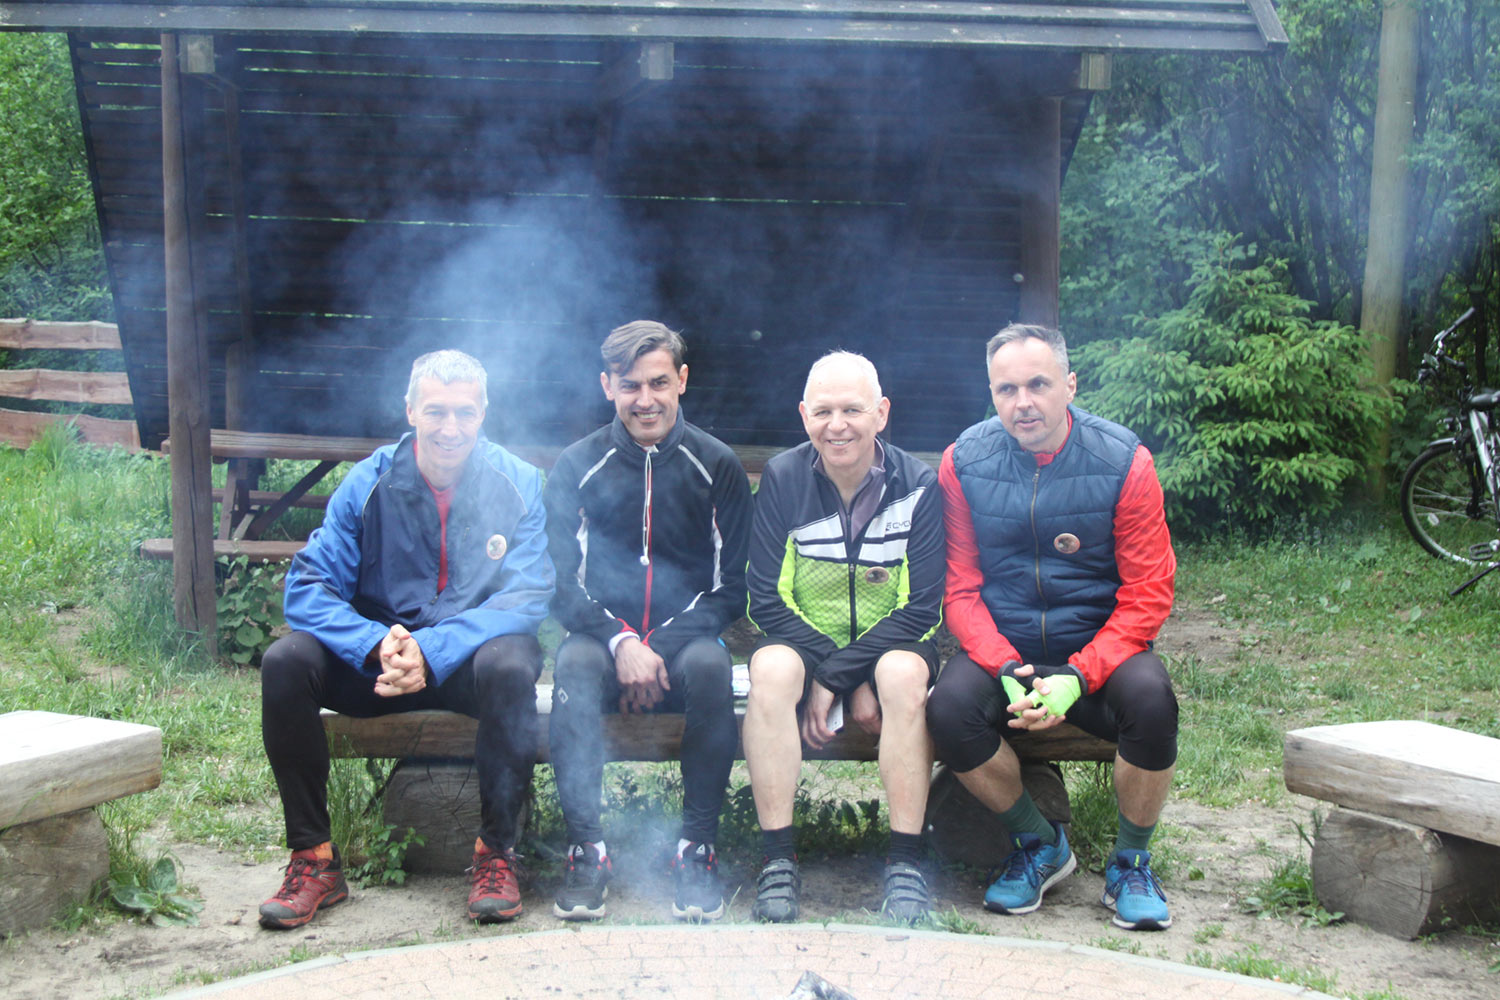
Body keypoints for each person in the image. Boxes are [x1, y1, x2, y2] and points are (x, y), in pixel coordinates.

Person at [257, 350, 554, 929]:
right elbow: (308, 586)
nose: (451, 428)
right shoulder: (367, 482)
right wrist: (375, 643)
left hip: (466, 664)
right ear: (411, 411)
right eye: (436, 411)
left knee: (512, 664)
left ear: (484, 413)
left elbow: (528, 595)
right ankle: (315, 861)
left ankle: (496, 854)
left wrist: (435, 649)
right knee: (286, 660)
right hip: (382, 666)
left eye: (465, 412)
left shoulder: (518, 483)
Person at [928, 323, 1178, 930]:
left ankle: (1131, 863)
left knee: (1152, 699)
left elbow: (1148, 592)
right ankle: (1040, 844)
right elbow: (960, 588)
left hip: (1098, 653)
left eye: (1038, 384)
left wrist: (1078, 676)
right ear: (992, 394)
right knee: (948, 708)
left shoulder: (1125, 461)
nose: (1023, 403)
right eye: (1006, 389)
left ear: (1070, 384)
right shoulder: (963, 463)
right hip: (1006, 652)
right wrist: (1000, 664)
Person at [544, 320, 752, 922]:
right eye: (630, 384)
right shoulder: (576, 465)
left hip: (685, 646)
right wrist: (620, 641)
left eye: (658, 382)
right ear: (607, 385)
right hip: (599, 639)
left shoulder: (717, 465)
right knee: (572, 664)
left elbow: (732, 586)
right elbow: (560, 583)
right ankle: (588, 849)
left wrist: (654, 647)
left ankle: (696, 849)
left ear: (681, 380)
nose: (645, 399)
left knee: (711, 667)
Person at [743, 350, 945, 925]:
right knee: (770, 671)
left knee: (902, 675)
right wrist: (839, 673)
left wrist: (842, 675)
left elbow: (922, 608)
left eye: (853, 410)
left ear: (881, 413)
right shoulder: (783, 478)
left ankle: (905, 864)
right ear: (803, 415)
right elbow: (765, 599)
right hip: (805, 643)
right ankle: (778, 860)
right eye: (823, 411)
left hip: (892, 645)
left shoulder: (918, 484)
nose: (838, 426)